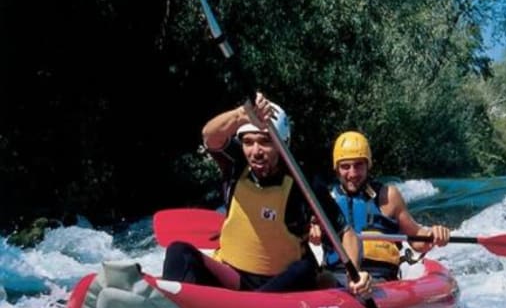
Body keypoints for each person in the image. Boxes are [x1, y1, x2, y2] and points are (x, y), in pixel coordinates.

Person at [162, 94, 371, 295]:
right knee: (178, 252)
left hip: (283, 284)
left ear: (283, 144)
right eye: (248, 142)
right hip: (234, 276)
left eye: (265, 141)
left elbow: (345, 232)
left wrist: (354, 273)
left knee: (305, 269)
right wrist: (243, 115)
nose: (255, 151)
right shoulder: (236, 165)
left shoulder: (303, 181)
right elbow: (210, 136)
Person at [317, 131, 451, 282]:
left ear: (369, 165)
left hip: (380, 278)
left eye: (359, 165)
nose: (353, 173)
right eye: (345, 166)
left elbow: (417, 238)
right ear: (336, 169)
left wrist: (434, 234)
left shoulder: (388, 196)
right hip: (337, 277)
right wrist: (312, 230)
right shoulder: (324, 200)